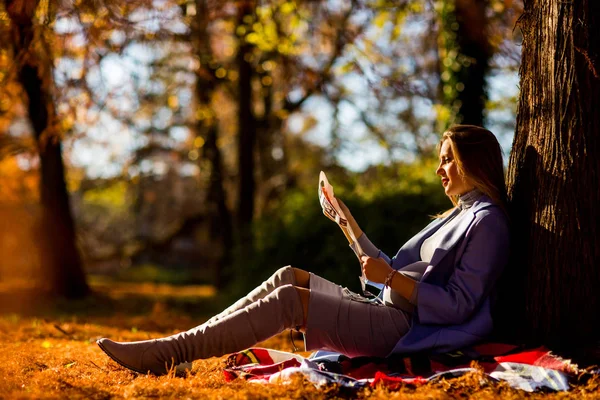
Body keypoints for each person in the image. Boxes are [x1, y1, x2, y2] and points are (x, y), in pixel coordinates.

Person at [97, 124, 510, 375]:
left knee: (291, 301)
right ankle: (182, 347)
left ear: (474, 163)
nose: (439, 170)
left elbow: (459, 305)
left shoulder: (487, 221)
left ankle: (173, 353)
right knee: (288, 276)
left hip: (406, 330)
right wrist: (345, 221)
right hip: (389, 309)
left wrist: (393, 280)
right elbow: (386, 272)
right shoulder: (456, 214)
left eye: (448, 160)